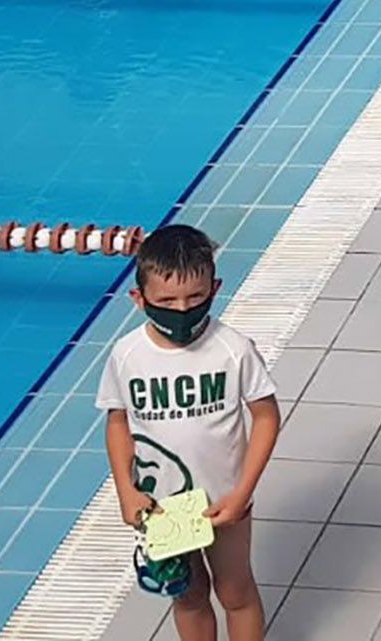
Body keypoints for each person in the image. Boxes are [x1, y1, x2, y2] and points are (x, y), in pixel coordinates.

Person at [100, 225, 280, 641]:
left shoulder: (232, 348)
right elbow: (117, 423)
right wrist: (126, 491)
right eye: (166, 301)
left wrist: (243, 492)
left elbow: (267, 417)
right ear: (138, 299)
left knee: (236, 592)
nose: (181, 309)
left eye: (195, 297)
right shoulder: (127, 355)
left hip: (226, 499)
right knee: (188, 595)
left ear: (215, 289)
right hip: (163, 506)